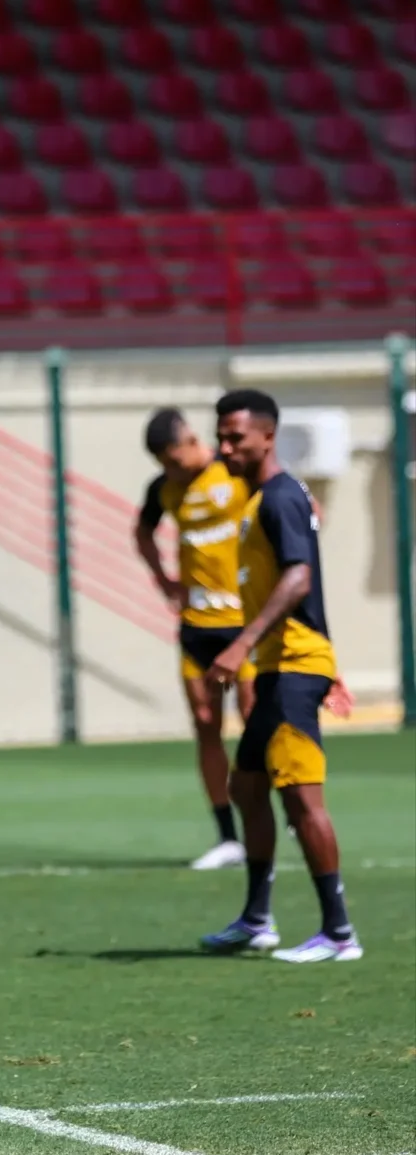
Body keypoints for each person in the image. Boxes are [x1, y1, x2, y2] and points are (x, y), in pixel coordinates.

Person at [201, 389, 361, 963]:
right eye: (220, 435)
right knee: (246, 786)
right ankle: (257, 918)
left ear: (268, 435)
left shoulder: (280, 498)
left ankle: (339, 934)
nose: (225, 446)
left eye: (235, 436)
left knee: (301, 800)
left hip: (292, 666)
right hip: (278, 666)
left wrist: (240, 645)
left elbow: (299, 579)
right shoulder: (258, 500)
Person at [135, 408, 256, 870]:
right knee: (207, 725)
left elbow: (293, 506)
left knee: (253, 716)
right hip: (197, 626)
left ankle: (274, 811)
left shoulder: (235, 470)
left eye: (173, 458)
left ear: (190, 440)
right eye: (163, 463)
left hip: (244, 622)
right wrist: (164, 580)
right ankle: (229, 836)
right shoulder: (164, 488)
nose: (172, 469)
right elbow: (142, 531)